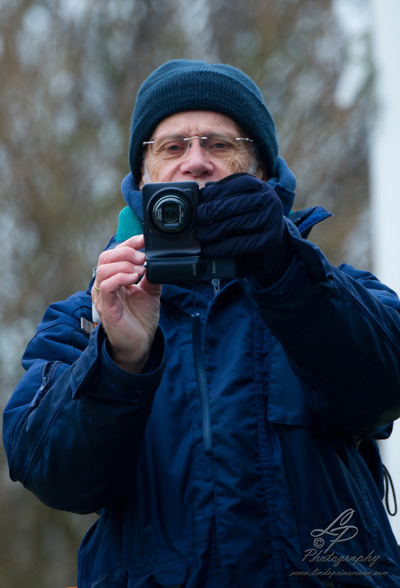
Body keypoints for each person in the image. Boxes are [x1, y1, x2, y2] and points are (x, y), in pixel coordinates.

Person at [3, 59, 400, 588]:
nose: (196, 161)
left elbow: (383, 386)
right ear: (141, 180)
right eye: (171, 147)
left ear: (261, 171)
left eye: (219, 144)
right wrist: (120, 359)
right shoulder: (86, 317)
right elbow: (52, 474)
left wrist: (284, 265)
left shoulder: (329, 288)